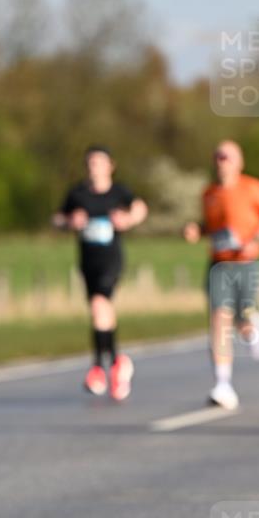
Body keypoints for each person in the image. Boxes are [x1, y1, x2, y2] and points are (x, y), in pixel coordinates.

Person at [183, 140, 259, 409]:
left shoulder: (253, 187)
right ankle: (223, 384)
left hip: (246, 263)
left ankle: (255, 329)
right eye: (217, 156)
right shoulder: (209, 193)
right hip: (219, 264)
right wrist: (197, 230)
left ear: (239, 162)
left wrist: (255, 239)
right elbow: (211, 227)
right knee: (219, 318)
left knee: (243, 321)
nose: (221, 161)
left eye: (227, 156)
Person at [52, 146, 148, 400]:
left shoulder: (119, 192)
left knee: (99, 305)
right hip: (88, 261)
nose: (94, 167)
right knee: (102, 312)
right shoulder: (78, 194)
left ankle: (97, 367)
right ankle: (117, 362)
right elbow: (57, 219)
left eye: (99, 163)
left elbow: (140, 208)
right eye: (90, 163)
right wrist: (71, 221)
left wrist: (127, 219)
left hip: (112, 260)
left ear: (110, 166)